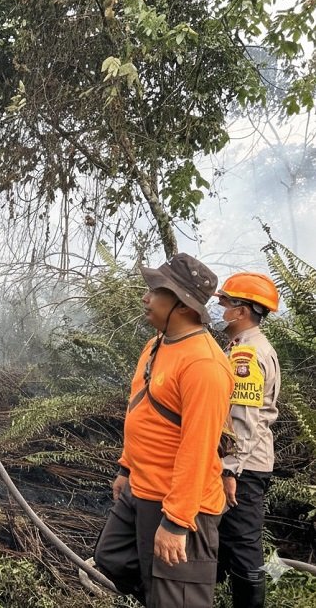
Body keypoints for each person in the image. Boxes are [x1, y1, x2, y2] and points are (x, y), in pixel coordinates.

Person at [94, 253, 234, 608]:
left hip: (182, 503)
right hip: (142, 489)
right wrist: (126, 468)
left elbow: (199, 449)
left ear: (183, 305)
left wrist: (176, 523)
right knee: (111, 558)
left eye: (156, 291)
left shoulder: (204, 365)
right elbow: (140, 407)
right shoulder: (156, 345)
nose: (146, 297)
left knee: (177, 598)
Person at [209, 273, 281, 608]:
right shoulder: (242, 346)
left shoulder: (247, 355)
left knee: (242, 545)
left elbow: (243, 418)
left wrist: (230, 470)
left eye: (224, 303)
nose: (218, 308)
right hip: (243, 463)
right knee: (227, 542)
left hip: (244, 466)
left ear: (242, 311)